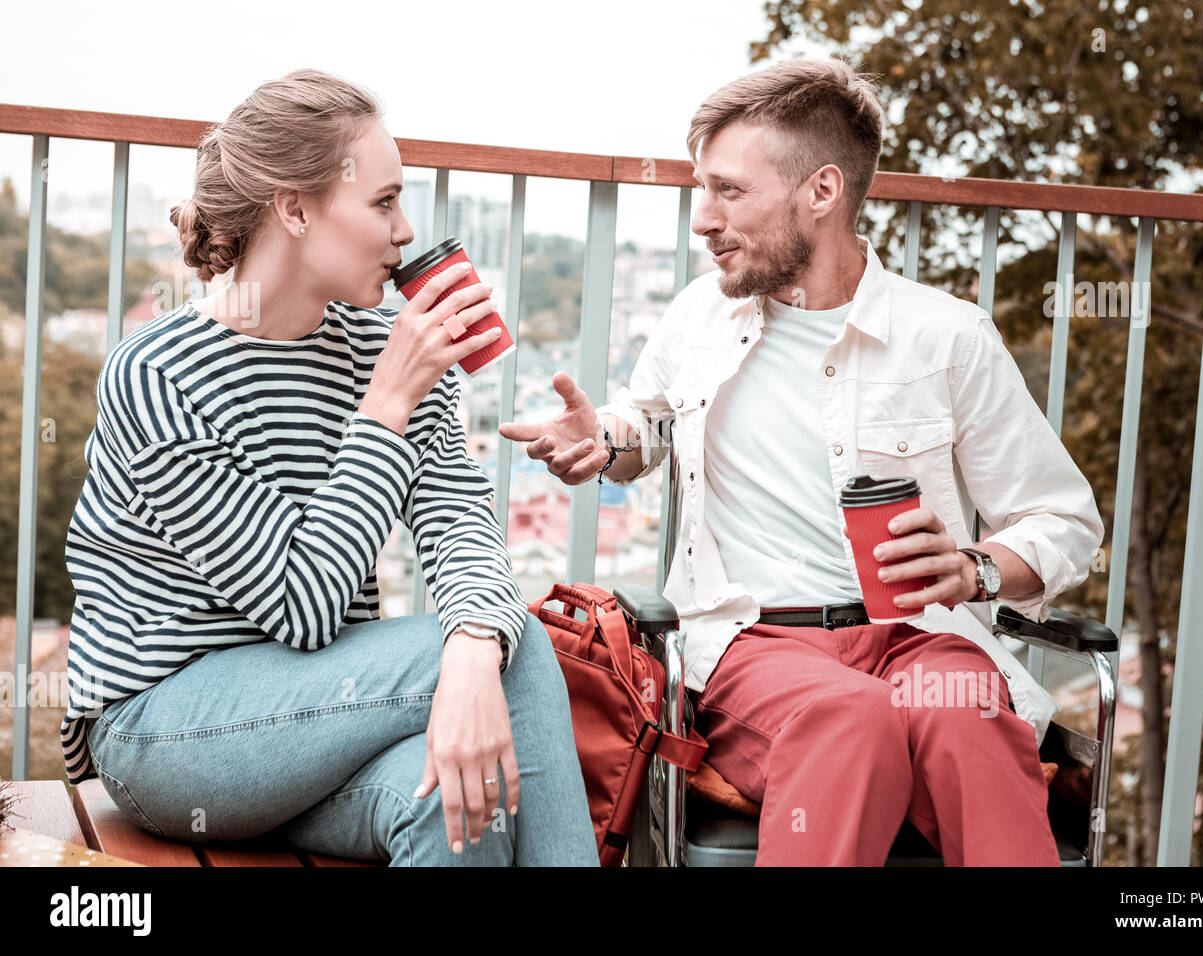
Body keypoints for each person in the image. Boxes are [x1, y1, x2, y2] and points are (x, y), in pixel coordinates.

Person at [499, 58, 1105, 866]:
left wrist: (974, 569)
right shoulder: (698, 317)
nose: (701, 219)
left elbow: (1063, 520)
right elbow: (647, 422)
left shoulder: (947, 336)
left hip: (919, 638)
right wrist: (602, 441)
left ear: (821, 191)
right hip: (756, 647)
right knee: (849, 718)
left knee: (970, 723)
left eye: (728, 191)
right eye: (700, 189)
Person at [60, 68, 598, 867]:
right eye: (383, 202)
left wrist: (477, 640)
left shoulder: (389, 342)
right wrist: (384, 409)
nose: (407, 230)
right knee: (518, 653)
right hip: (167, 731)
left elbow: (460, 527)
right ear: (296, 208)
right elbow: (304, 605)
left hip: (324, 719)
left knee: (463, 795)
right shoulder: (159, 374)